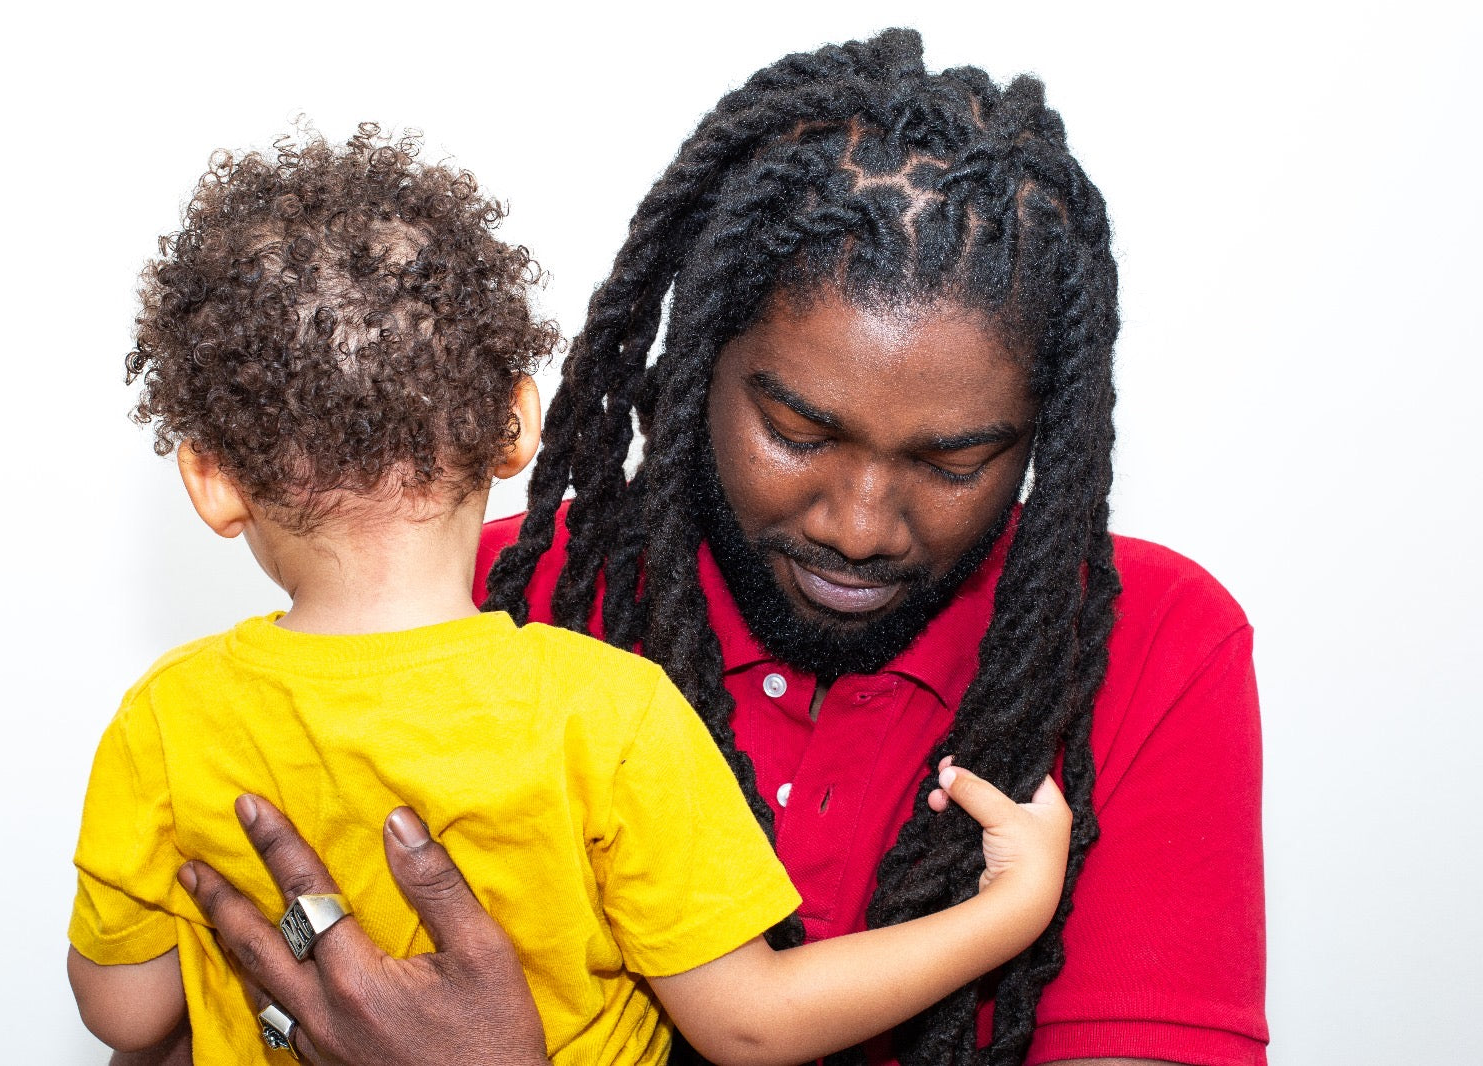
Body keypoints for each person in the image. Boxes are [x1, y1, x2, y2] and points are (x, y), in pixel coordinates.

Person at [153, 27, 1267, 1066]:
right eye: (796, 431)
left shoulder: (1147, 648)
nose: (859, 523)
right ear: (694, 369)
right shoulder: (467, 613)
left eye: (951, 461)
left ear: (1040, 439)